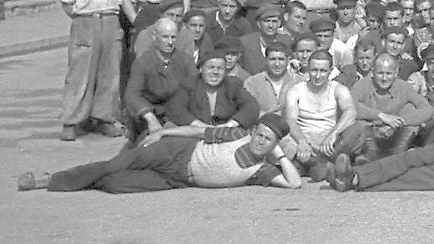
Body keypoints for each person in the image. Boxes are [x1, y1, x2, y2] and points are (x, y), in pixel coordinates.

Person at [18, 113, 302, 193]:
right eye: (261, 134)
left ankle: (86, 182)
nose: (261, 142)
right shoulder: (237, 135)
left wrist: (278, 156)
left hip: (179, 179)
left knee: (115, 185)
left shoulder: (260, 170)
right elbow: (197, 132)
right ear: (253, 131)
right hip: (175, 152)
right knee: (112, 165)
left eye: (269, 140)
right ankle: (49, 180)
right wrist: (163, 132)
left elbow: (294, 183)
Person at [58, 0, 124, 142]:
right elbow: (67, 4)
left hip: (110, 21)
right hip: (85, 21)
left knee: (109, 74)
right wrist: (83, 22)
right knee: (79, 74)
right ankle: (71, 121)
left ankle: (104, 118)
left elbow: (121, 0)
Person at [283, 51, 361, 180]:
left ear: (331, 71)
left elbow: (351, 112)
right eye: (314, 70)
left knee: (358, 128)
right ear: (308, 69)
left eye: (323, 71)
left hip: (329, 142)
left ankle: (313, 164)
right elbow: (290, 120)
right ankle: (321, 165)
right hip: (304, 138)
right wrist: (302, 141)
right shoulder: (296, 90)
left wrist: (334, 133)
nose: (318, 76)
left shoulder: (339, 89)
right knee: (283, 138)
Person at [122, 18, 197, 146]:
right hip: (150, 115)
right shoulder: (143, 62)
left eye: (173, 37)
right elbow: (132, 94)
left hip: (179, 113)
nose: (170, 42)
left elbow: (195, 88)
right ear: (154, 36)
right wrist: (150, 118)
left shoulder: (185, 61)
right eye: (165, 37)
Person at [348, 53, 434, 163]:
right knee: (356, 119)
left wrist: (399, 121)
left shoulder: (403, 87)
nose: (384, 78)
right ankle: (370, 154)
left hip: (395, 135)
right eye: (380, 73)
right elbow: (350, 106)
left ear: (396, 73)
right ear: (373, 71)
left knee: (411, 108)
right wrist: (381, 116)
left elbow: (427, 109)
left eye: (388, 74)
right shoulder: (363, 85)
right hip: (370, 135)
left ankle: (396, 154)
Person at [163, 51, 260, 132]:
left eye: (220, 68)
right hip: (194, 132)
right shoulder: (189, 84)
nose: (215, 72)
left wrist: (231, 124)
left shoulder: (233, 85)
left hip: (226, 132)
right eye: (211, 67)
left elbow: (251, 106)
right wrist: (197, 124)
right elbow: (175, 108)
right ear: (201, 69)